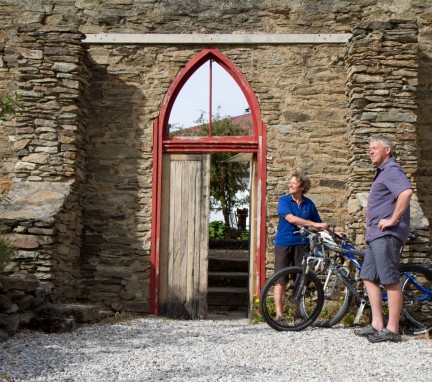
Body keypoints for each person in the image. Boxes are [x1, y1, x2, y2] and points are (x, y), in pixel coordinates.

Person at [354, 134, 413, 343]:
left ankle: (393, 329)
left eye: (374, 148)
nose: (370, 151)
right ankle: (377, 324)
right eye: (369, 148)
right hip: (375, 235)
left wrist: (392, 219)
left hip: (386, 234)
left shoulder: (391, 169)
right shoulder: (381, 173)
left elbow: (406, 192)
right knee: (368, 276)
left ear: (387, 150)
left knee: (389, 278)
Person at [273, 170, 329, 323]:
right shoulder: (284, 201)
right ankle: (279, 315)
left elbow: (319, 224)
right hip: (284, 243)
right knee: (281, 280)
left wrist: (335, 232)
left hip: (302, 245)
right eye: (289, 182)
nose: (290, 185)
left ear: (302, 186)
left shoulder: (309, 204)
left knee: (300, 280)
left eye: (293, 182)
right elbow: (291, 219)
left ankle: (298, 315)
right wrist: (313, 224)